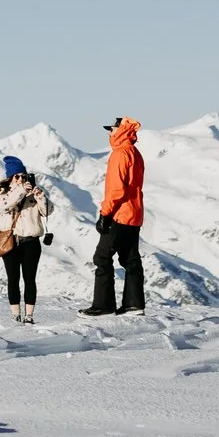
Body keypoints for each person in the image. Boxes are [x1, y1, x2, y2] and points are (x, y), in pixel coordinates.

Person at [82, 116, 147, 316]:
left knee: (102, 257)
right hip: (135, 215)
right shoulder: (136, 153)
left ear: (120, 131)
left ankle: (103, 305)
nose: (109, 134)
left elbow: (116, 190)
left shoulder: (120, 154)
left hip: (120, 214)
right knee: (130, 259)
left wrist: (105, 214)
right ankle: (134, 305)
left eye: (111, 130)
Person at [0, 154, 52, 324]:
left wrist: (40, 196)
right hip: (10, 241)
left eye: (23, 176)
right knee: (13, 279)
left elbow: (48, 211)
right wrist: (21, 191)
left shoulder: (33, 191)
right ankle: (15, 314)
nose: (21, 179)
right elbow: (4, 206)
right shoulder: (3, 192)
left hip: (31, 241)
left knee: (30, 279)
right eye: (17, 176)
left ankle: (29, 315)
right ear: (11, 177)